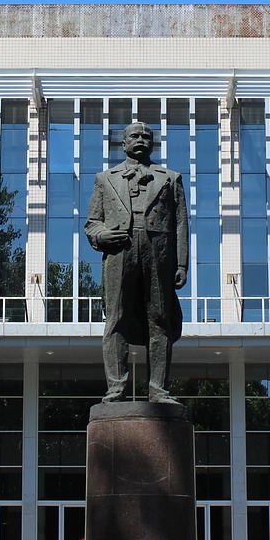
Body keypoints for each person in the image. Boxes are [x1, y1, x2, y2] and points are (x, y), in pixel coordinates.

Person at [85, 122, 188, 403]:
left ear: (152, 144)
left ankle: (159, 389)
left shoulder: (171, 178)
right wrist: (103, 235)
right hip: (120, 253)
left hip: (159, 254)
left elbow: (181, 224)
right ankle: (116, 388)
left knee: (159, 320)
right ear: (124, 143)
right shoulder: (105, 179)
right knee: (115, 320)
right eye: (135, 135)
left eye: (146, 136)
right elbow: (92, 223)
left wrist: (181, 265)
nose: (140, 139)